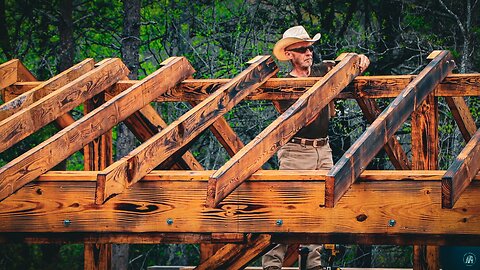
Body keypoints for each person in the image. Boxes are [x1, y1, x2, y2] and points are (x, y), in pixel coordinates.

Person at [262, 25, 370, 270]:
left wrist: (359, 59)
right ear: (289, 54)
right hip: (296, 150)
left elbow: (349, 61)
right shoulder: (283, 85)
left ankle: (313, 264)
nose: (308, 52)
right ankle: (272, 264)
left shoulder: (323, 70)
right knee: (287, 205)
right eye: (302, 49)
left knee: (322, 205)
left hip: (323, 148)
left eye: (310, 48)